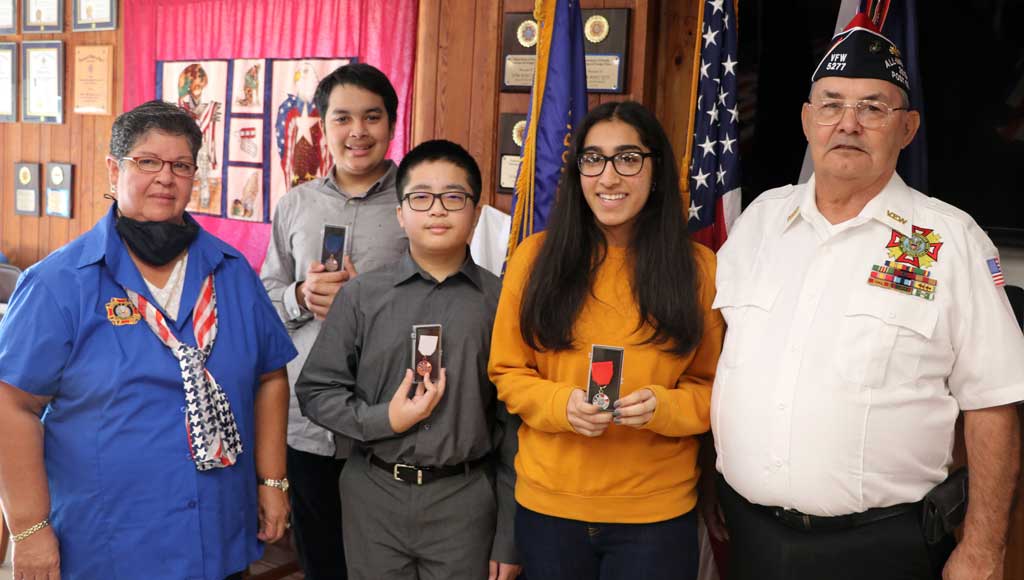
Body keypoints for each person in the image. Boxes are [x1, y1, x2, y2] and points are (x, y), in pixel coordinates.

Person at [709, 14, 1024, 580]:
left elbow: (993, 403)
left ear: (907, 128)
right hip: (750, 538)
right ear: (807, 120)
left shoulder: (948, 240)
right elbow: (723, 360)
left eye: (873, 108)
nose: (848, 123)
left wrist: (983, 547)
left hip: (881, 549)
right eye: (831, 104)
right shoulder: (759, 223)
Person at [0, 100, 297, 580]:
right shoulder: (59, 283)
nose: (165, 178)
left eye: (181, 165)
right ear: (114, 169)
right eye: (147, 161)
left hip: (216, 532)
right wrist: (29, 529)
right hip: (108, 543)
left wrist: (273, 481)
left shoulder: (232, 272)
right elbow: (11, 405)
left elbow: (270, 376)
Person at [488, 101, 724, 580]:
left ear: (656, 171)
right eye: (593, 159)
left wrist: (664, 408)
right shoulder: (534, 260)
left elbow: (714, 389)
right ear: (577, 173)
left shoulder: (699, 270)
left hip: (656, 514)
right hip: (549, 508)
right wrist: (560, 405)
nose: (608, 177)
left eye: (628, 159)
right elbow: (507, 372)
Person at [295, 139, 520, 580]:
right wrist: (385, 419)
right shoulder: (361, 296)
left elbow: (514, 424)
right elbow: (316, 392)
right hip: (374, 492)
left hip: (465, 499)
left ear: (476, 213)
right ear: (400, 213)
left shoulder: (502, 302)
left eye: (453, 197)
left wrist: (509, 535)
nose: (437, 210)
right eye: (421, 197)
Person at [260, 62, 408, 580]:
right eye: (342, 118)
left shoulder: (416, 203)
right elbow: (266, 301)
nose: (357, 132)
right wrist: (301, 296)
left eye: (372, 117)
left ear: (392, 123)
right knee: (321, 561)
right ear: (323, 126)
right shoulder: (295, 204)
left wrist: (370, 303)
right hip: (308, 423)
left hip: (390, 420)